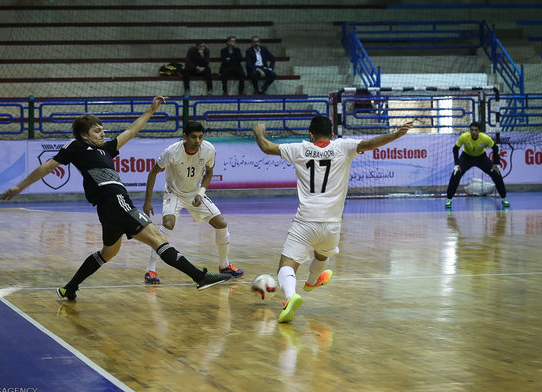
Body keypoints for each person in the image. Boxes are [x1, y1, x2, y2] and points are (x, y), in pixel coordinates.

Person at [0, 96, 231, 300]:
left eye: (103, 130)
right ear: (84, 135)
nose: (103, 133)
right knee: (156, 238)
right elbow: (48, 167)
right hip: (115, 199)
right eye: (97, 131)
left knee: (108, 253)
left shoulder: (106, 149)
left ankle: (69, 288)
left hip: (108, 207)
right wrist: (20, 186)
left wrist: (150, 111)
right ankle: (199, 277)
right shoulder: (76, 146)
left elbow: (131, 131)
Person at [253, 116, 413, 323]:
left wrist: (258, 132)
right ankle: (311, 282)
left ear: (310, 134)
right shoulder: (343, 147)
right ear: (332, 134)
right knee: (322, 254)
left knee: (287, 264)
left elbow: (267, 148)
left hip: (306, 220)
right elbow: (370, 143)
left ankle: (290, 297)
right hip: (333, 224)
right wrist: (396, 135)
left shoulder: (299, 149)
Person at [143, 121, 244, 284]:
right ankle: (150, 270)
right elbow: (153, 172)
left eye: (201, 137)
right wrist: (147, 201)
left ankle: (224, 265)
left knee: (221, 223)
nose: (197, 141)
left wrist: (201, 192)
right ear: (185, 137)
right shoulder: (172, 152)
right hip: (173, 193)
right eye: (194, 137)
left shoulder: (208, 149)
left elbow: (209, 173)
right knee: (168, 224)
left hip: (194, 193)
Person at [445, 121, 509, 209]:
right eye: (472, 130)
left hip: (481, 158)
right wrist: (456, 164)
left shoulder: (485, 138)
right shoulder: (464, 137)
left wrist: (496, 164)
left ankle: (504, 198)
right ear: (469, 130)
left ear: (479, 131)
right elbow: (455, 149)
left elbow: (495, 148)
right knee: (456, 174)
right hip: (466, 158)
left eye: (476, 130)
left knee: (496, 173)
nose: (474, 132)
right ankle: (449, 200)